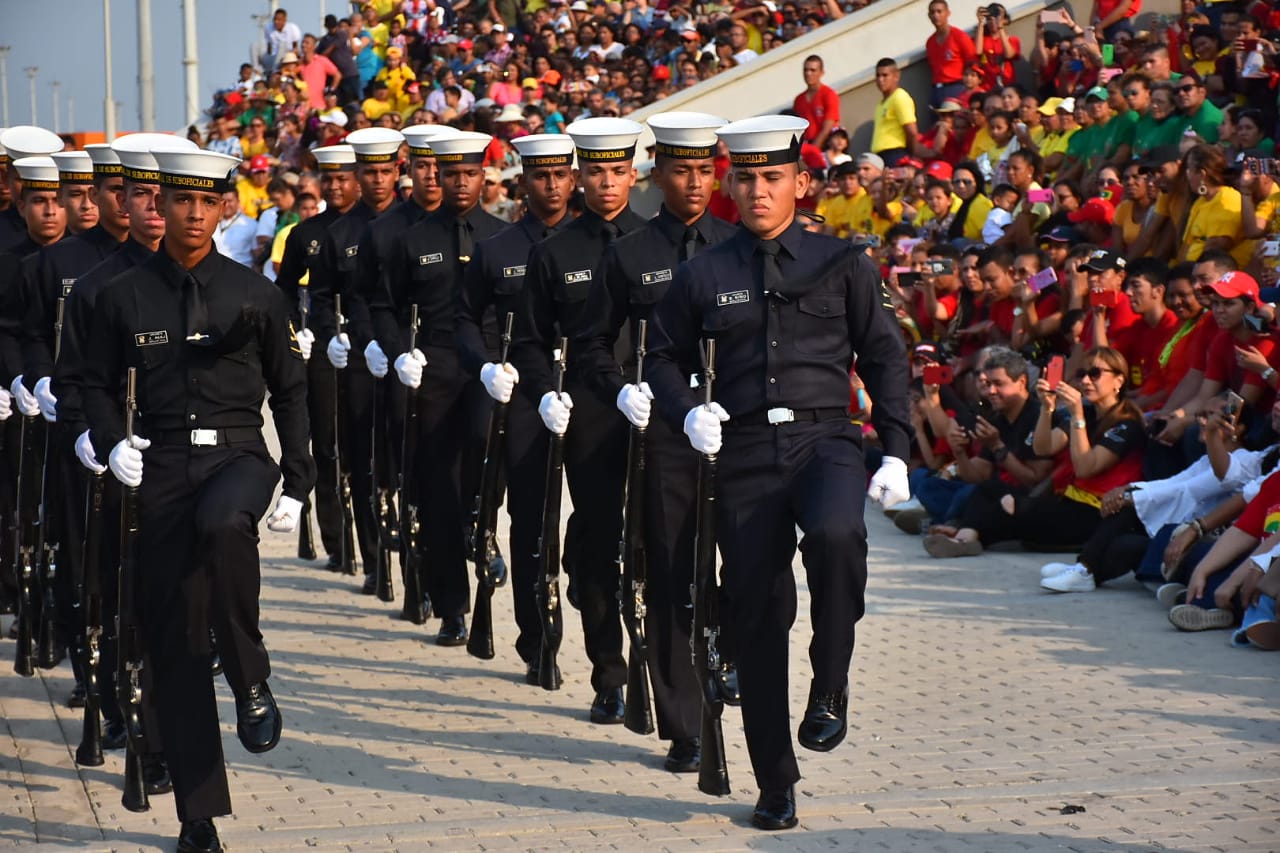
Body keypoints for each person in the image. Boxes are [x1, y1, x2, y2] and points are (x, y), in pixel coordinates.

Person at [645, 114, 910, 830]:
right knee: (757, 611)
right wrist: (685, 410)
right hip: (745, 451)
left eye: (773, 178)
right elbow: (659, 357)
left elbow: (884, 356)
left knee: (835, 537)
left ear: (800, 181)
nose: (759, 191)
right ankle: (775, 779)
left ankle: (831, 681)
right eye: (747, 178)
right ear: (732, 184)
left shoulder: (843, 261)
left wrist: (897, 449)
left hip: (826, 441)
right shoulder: (704, 271)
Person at [79, 145, 313, 853]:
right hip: (160, 463)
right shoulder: (120, 295)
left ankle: (250, 674)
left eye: (205, 201)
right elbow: (92, 380)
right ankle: (197, 817)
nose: (189, 212)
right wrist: (110, 438)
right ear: (158, 205)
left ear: (224, 208)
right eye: (176, 200)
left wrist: (300, 480)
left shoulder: (255, 293)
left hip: (239, 453)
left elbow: (291, 390)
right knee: (174, 641)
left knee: (222, 526)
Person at [576, 111, 741, 773]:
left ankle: (727, 656)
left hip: (739, 432)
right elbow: (591, 340)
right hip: (667, 436)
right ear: (659, 174)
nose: (695, 182)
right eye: (681, 169)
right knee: (675, 574)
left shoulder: (738, 242)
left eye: (705, 169)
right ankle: (685, 721)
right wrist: (620, 387)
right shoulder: (630, 254)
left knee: (748, 567)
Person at [509, 117, 649, 726]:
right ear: (577, 177)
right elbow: (532, 341)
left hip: (653, 412)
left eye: (619, 170)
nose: (608, 182)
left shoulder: (655, 242)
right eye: (596, 171)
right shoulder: (553, 252)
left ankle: (657, 665)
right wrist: (543, 393)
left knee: (653, 542)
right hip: (588, 414)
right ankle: (608, 671)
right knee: (595, 543)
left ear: (635, 174)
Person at [377, 129, 509, 642]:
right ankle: (453, 606)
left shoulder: (502, 236)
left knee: (486, 443)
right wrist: (396, 352)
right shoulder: (410, 240)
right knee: (437, 489)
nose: (457, 182)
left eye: (468, 173)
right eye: (448, 173)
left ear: (483, 176)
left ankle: (484, 517)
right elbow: (384, 307)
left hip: (489, 365)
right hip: (431, 362)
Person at [458, 132, 577, 684]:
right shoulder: (498, 249)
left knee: (599, 519)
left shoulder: (598, 243)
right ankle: (538, 638)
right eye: (540, 175)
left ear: (572, 179)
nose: (551, 185)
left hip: (594, 394)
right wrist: (486, 366)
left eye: (560, 175)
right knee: (532, 521)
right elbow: (465, 317)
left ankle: (582, 580)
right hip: (525, 394)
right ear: (522, 181)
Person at [926, 346, 1145, 560]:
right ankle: (966, 535)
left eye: (1095, 374)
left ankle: (965, 534)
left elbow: (1085, 468)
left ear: (1119, 380)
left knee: (1010, 507)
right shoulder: (1087, 413)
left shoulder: (1127, 425)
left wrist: (1077, 415)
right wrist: (1047, 409)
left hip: (1094, 513)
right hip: (1067, 502)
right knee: (988, 490)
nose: (1086, 380)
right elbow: (1043, 447)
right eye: (1082, 374)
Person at [310, 128, 406, 585]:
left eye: (386, 171)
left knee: (405, 459)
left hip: (408, 359)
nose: (378, 181)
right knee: (363, 455)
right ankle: (374, 560)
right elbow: (323, 296)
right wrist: (330, 334)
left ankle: (413, 560)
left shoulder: (414, 223)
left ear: (397, 171)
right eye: (369, 172)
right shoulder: (339, 233)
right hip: (357, 359)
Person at [274, 144, 361, 573]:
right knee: (327, 443)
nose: (336, 186)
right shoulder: (305, 233)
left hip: (370, 349)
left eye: (344, 178)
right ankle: (335, 539)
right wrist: (298, 331)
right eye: (329, 179)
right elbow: (284, 290)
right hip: (322, 345)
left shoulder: (377, 229)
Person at [925, 0, 977, 107]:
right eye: (932, 12)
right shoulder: (930, 42)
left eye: (939, 12)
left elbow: (973, 63)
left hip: (956, 87)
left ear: (948, 13)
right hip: (936, 89)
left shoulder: (959, 36)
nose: (936, 15)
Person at [871, 58, 919, 167]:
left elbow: (911, 132)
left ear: (896, 76)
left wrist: (911, 154)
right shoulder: (881, 104)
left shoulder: (899, 97)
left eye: (885, 75)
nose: (880, 80)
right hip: (881, 156)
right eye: (878, 76)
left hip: (895, 154)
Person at [793, 55, 839, 150]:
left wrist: (812, 151)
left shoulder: (829, 94)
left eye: (813, 70)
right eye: (805, 70)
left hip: (826, 147)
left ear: (822, 73)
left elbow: (827, 128)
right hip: (806, 147)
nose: (808, 73)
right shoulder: (799, 100)